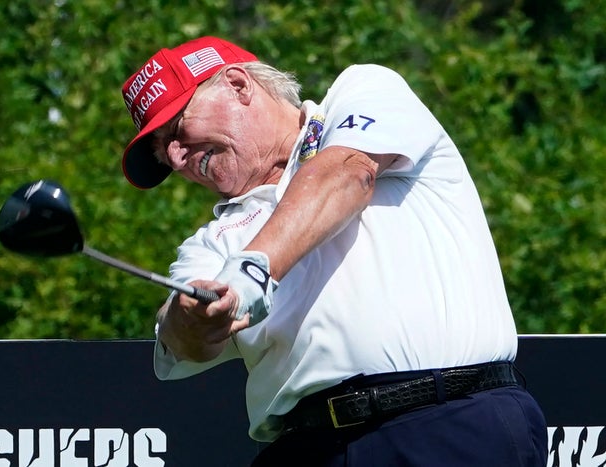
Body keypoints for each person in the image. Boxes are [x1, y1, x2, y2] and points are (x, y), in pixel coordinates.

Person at [120, 36, 548, 466]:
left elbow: (348, 176)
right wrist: (193, 318)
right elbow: (179, 337)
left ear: (238, 85)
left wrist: (253, 270)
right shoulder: (212, 241)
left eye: (176, 129)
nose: (175, 158)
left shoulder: (363, 91)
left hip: (445, 422)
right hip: (304, 450)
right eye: (163, 154)